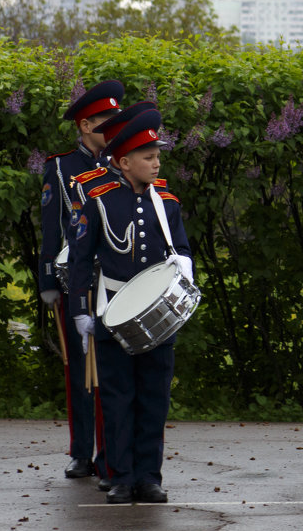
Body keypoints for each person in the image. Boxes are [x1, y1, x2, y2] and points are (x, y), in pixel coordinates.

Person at [68, 108, 194, 505]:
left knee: (154, 396)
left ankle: (148, 477)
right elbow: (80, 259)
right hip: (112, 311)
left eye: (158, 156)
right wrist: (80, 311)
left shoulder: (167, 202)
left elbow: (183, 248)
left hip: (158, 316)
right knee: (118, 398)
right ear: (123, 161)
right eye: (148, 157)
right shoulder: (99, 200)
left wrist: (184, 267)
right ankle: (120, 476)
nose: (156, 164)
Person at [38, 80, 122, 480]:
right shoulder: (61, 167)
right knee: (79, 369)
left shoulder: (124, 161)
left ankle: (112, 452)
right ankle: (81, 451)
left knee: (112, 369)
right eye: (107, 121)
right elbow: (52, 227)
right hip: (76, 279)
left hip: (117, 280)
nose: (115, 128)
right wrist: (47, 280)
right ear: (86, 124)